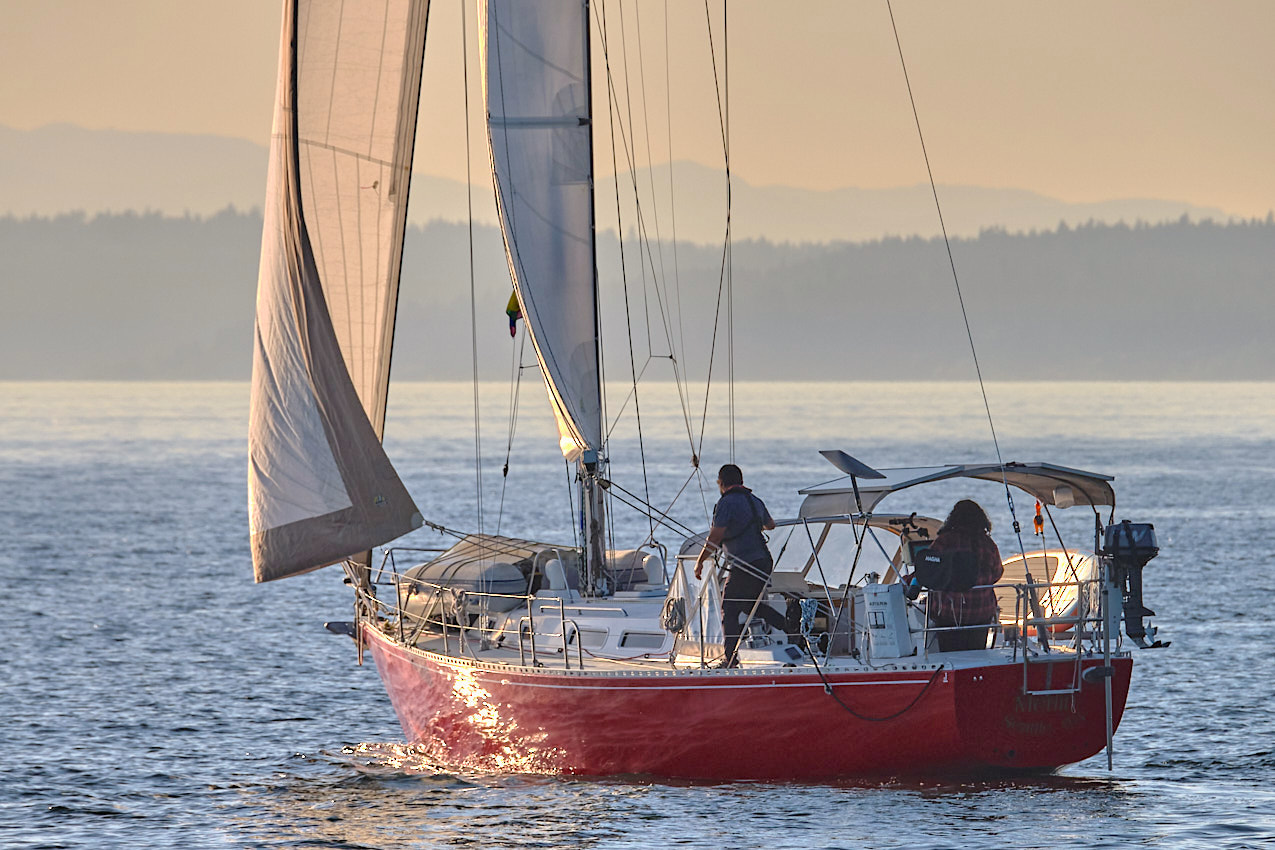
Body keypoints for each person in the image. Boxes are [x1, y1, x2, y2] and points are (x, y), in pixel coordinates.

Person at [694, 464, 786, 666]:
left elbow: (715, 536)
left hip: (745, 564)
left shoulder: (726, 503)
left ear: (721, 483)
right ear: (741, 481)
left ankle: (730, 658)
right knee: (748, 604)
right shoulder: (755, 500)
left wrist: (700, 563)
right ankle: (790, 626)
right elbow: (770, 525)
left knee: (729, 608)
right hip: (763, 561)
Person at [924, 499, 1004, 651]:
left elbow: (928, 571)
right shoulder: (988, 543)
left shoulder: (945, 541)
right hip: (982, 612)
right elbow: (997, 573)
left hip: (950, 613)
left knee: (950, 653)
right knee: (976, 653)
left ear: (953, 518)